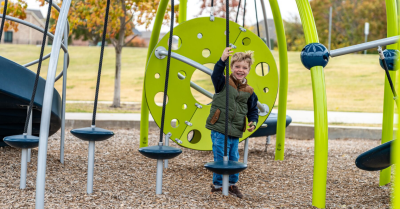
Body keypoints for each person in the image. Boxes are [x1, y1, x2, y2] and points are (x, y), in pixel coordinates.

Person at [206, 47, 259, 198]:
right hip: (219, 127)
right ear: (231, 67)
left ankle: (231, 185)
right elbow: (215, 74)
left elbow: (253, 110)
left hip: (235, 130)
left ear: (249, 70)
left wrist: (253, 121)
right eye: (237, 66)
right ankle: (217, 185)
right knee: (220, 157)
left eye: (244, 67)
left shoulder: (249, 91)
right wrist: (222, 60)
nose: (240, 70)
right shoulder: (222, 82)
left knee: (234, 158)